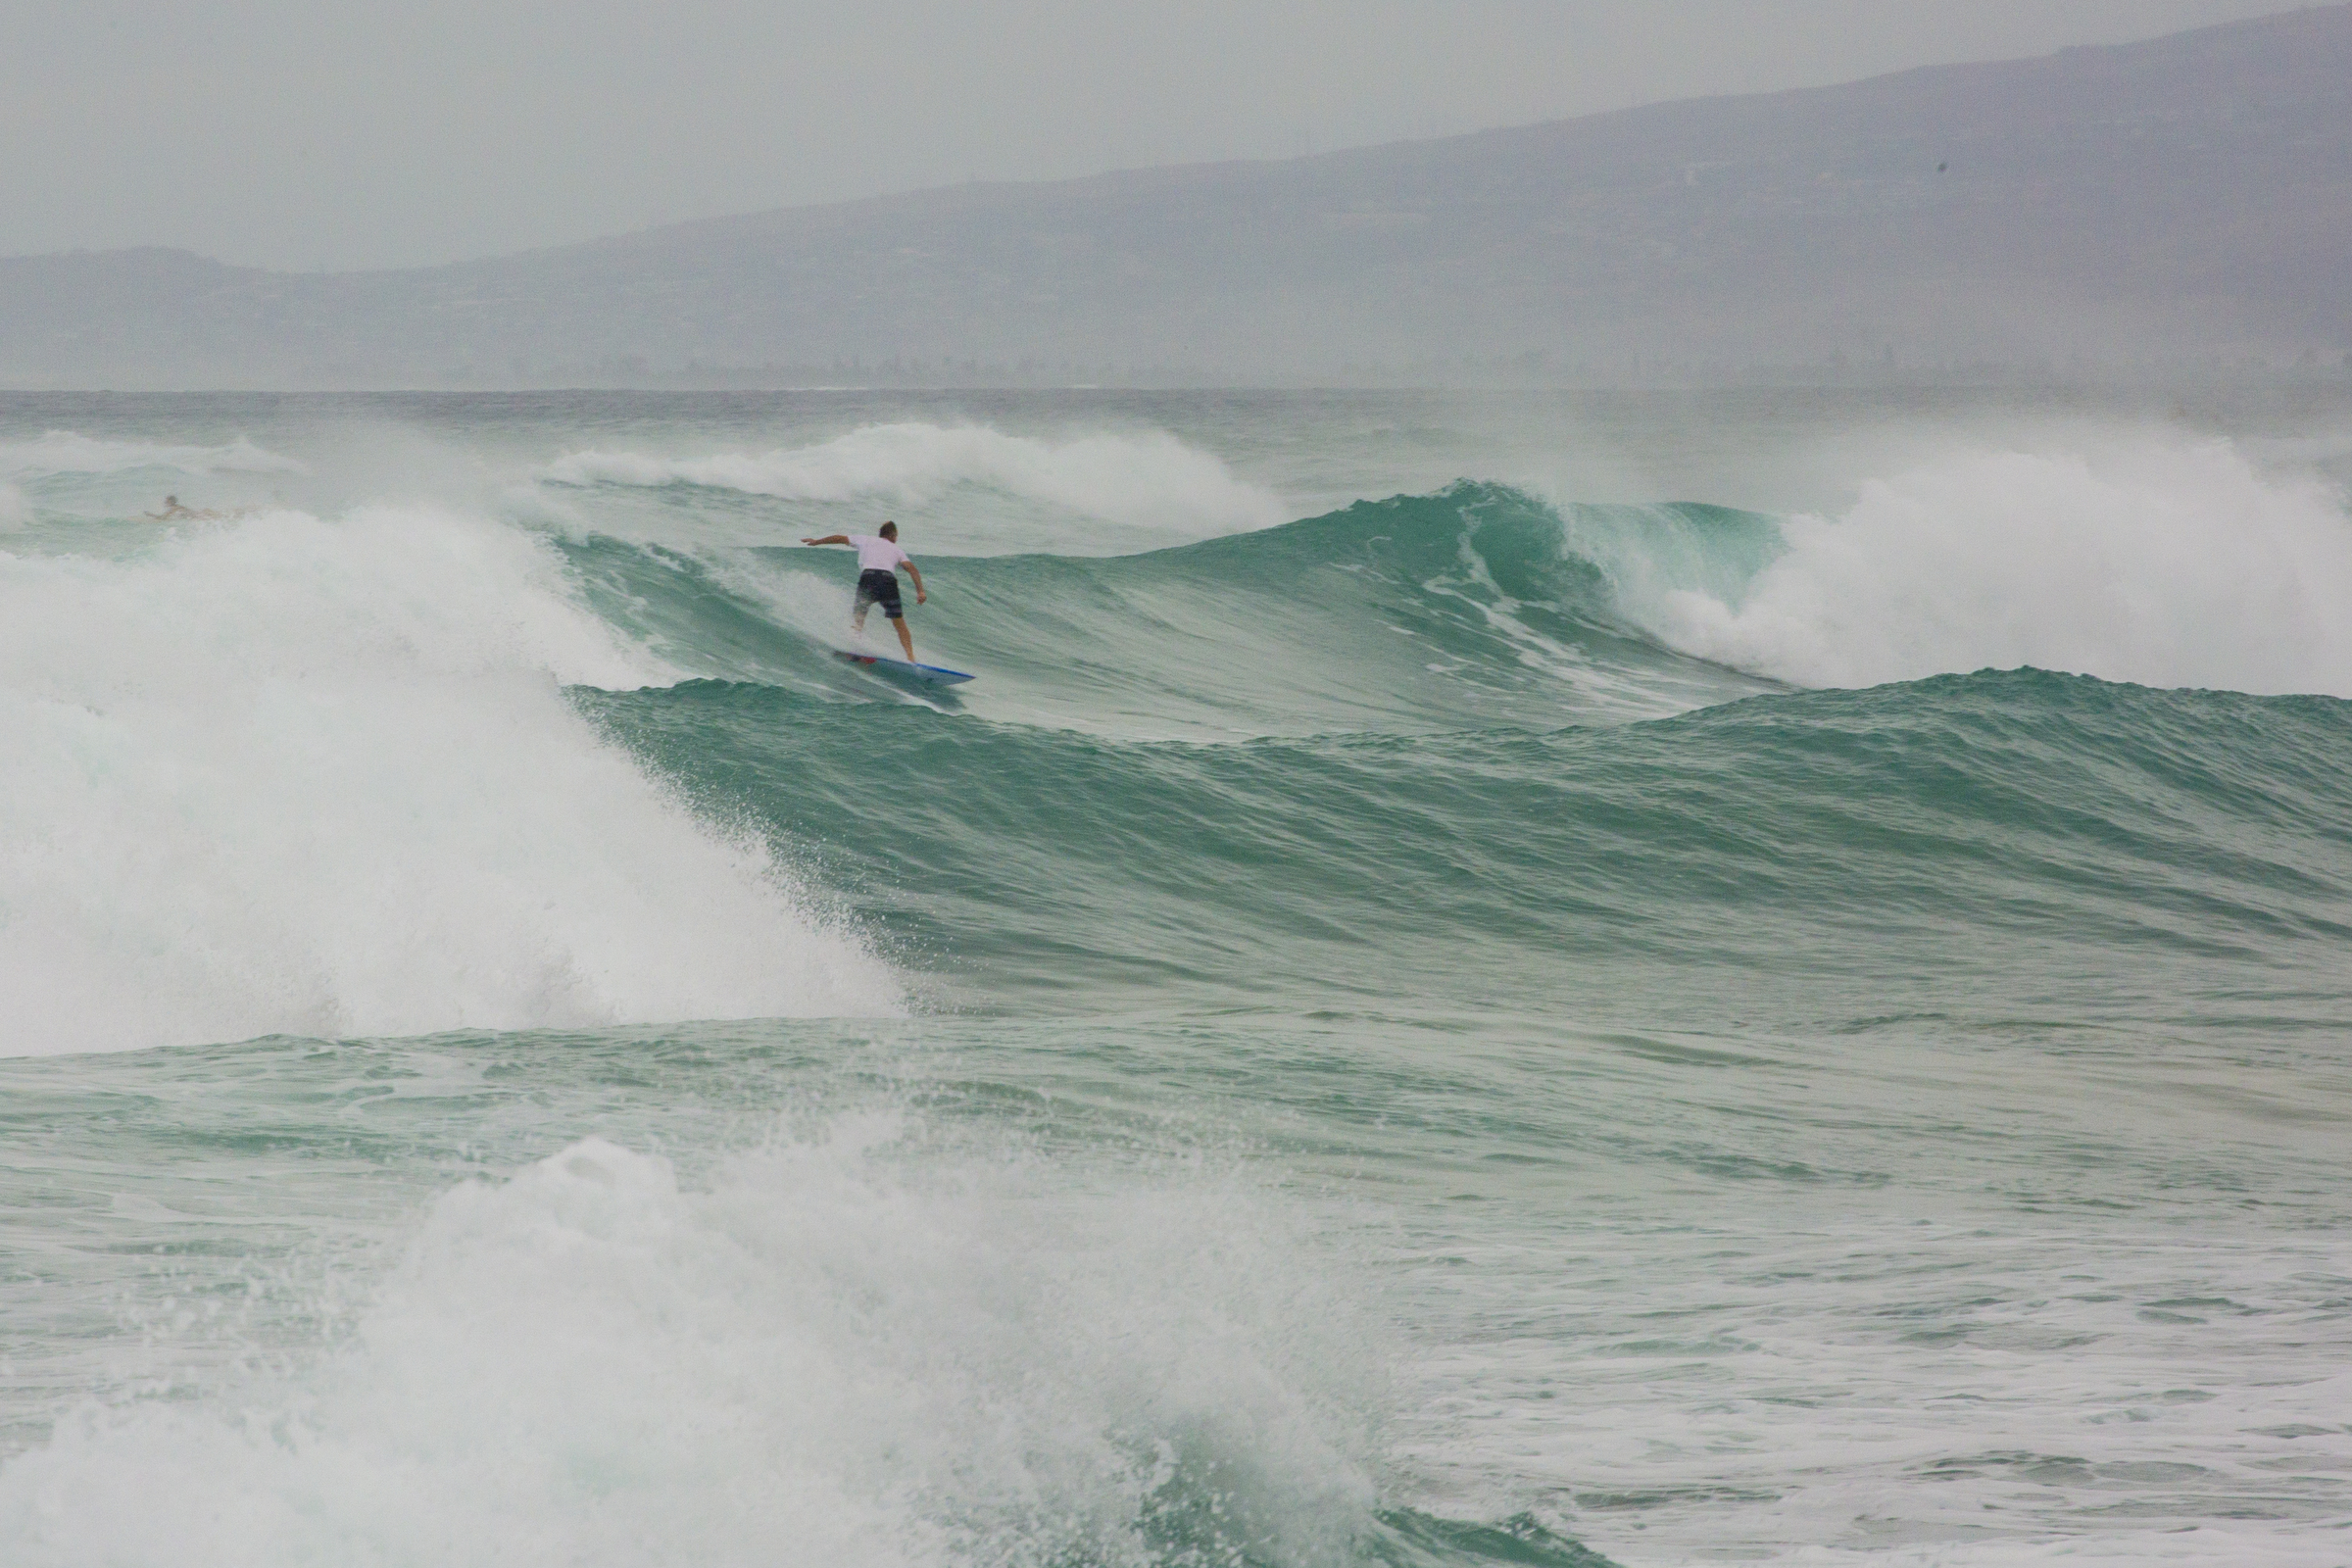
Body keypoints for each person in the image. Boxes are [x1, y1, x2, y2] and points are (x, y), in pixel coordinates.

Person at [801, 521, 928, 660]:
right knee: (899, 623)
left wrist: (816, 542)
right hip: (888, 581)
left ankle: (853, 649)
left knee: (858, 619)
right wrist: (920, 591)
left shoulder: (865, 539)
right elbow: (911, 568)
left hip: (869, 578)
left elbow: (839, 538)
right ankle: (911, 658)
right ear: (893, 535)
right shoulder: (896, 549)